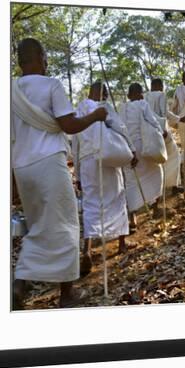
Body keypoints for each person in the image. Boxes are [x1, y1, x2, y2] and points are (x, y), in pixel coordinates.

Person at [11, 38, 108, 309]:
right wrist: (96, 115)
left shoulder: (10, 90)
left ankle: (19, 284)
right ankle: (66, 294)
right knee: (66, 225)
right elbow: (69, 124)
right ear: (41, 57)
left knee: (38, 227)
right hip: (49, 163)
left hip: (22, 166)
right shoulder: (51, 84)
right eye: (44, 56)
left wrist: (12, 182)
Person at [72, 81, 133, 276]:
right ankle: (122, 243)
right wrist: (131, 150)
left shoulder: (78, 111)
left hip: (87, 162)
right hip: (107, 158)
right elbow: (120, 128)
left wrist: (78, 173)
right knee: (116, 197)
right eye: (105, 93)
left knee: (91, 204)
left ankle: (87, 250)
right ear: (103, 94)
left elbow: (75, 145)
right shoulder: (104, 108)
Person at [119, 83, 165, 227]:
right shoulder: (142, 104)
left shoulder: (122, 108)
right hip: (143, 147)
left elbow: (118, 128)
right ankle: (155, 207)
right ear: (140, 94)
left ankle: (132, 217)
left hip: (127, 149)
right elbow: (153, 121)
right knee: (157, 172)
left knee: (131, 182)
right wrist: (161, 131)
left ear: (128, 95)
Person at [144, 78, 184, 195]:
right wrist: (179, 119)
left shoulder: (146, 96)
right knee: (174, 155)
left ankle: (159, 189)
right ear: (160, 86)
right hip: (162, 130)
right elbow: (164, 114)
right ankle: (173, 186)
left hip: (149, 132)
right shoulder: (161, 95)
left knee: (157, 160)